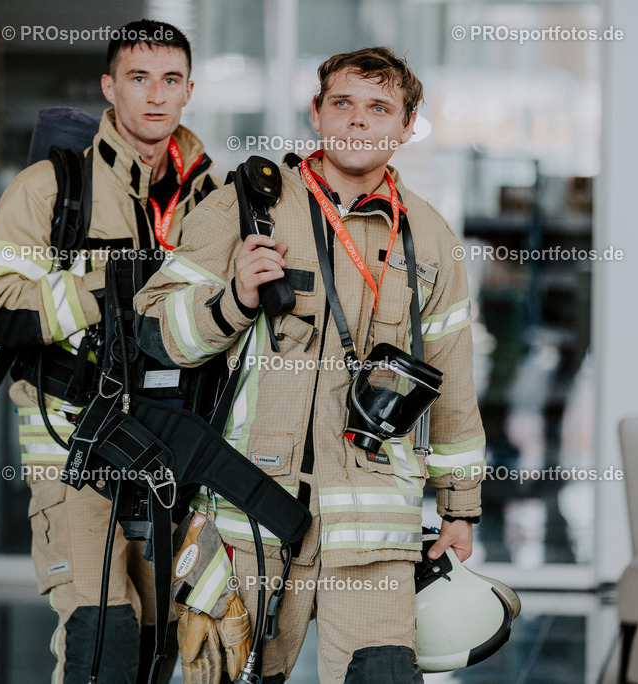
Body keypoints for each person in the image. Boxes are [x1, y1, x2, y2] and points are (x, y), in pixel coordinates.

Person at [134, 47, 486, 683]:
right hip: (250, 517)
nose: (358, 120)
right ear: (317, 114)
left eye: (380, 108)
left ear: (407, 128)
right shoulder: (244, 208)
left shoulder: (431, 241)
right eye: (342, 103)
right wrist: (234, 299)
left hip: (375, 531)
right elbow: (154, 331)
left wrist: (460, 508)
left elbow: (454, 383)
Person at [0, 20, 217, 684]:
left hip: (172, 441)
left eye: (169, 81)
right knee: (101, 629)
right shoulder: (51, 189)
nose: (155, 98)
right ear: (110, 87)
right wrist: (106, 286)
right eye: (138, 80)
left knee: (161, 643)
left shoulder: (214, 199)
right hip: (72, 442)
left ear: (190, 89)